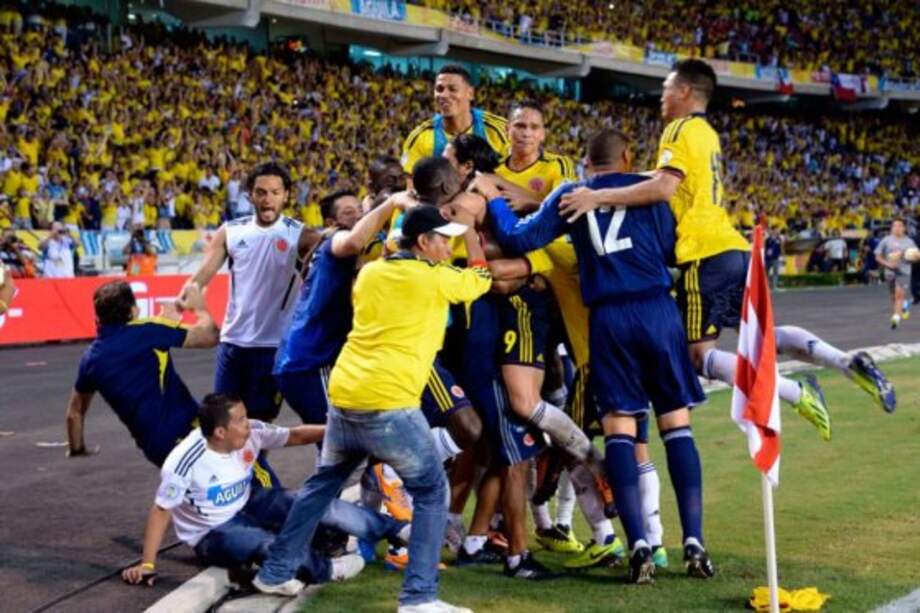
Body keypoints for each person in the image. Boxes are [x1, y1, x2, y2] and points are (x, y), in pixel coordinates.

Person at [556, 58, 895, 428]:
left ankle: (797, 392)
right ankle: (845, 362)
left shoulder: (678, 129)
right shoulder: (707, 134)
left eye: (667, 89)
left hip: (702, 256)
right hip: (734, 249)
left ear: (684, 91)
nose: (662, 97)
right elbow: (663, 177)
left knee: (698, 356)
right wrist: (614, 180)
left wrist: (598, 197)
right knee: (760, 336)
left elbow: (664, 187)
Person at [475, 128, 709, 584]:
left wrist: (494, 196)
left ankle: (639, 543)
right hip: (657, 311)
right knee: (676, 427)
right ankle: (694, 541)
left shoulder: (571, 193)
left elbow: (517, 238)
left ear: (587, 162)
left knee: (620, 430)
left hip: (607, 320)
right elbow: (670, 250)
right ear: (627, 156)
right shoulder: (651, 190)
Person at [254, 198, 492, 613]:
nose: (447, 247)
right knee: (433, 491)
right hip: (390, 403)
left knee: (319, 488)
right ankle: (419, 599)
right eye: (443, 241)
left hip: (345, 399)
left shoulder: (370, 273)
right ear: (423, 242)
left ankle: (274, 572)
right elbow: (481, 278)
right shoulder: (436, 279)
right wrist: (471, 231)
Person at [122, 394, 410, 587]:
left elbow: (294, 435)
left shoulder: (251, 433)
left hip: (250, 503)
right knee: (266, 543)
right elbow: (161, 510)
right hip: (212, 532)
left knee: (312, 502)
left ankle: (398, 529)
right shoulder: (183, 461)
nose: (249, 425)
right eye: (241, 420)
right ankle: (326, 571)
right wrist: (147, 563)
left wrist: (340, 430)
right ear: (220, 432)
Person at [179, 162, 319, 423]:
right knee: (222, 422)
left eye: (275, 192)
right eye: (262, 192)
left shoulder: (302, 236)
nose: (268, 199)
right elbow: (202, 275)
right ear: (250, 195)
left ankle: (256, 464)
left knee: (257, 426)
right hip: (232, 344)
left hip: (273, 348)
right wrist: (184, 296)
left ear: (286, 195)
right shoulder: (230, 232)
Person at [65, 281, 219, 466]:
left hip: (155, 450)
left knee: (194, 489)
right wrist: (200, 308)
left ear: (98, 318)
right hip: (189, 431)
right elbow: (210, 337)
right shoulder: (149, 331)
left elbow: (75, 412)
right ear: (133, 311)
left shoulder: (90, 359)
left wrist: (77, 448)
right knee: (246, 477)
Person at [401, 64, 508, 174]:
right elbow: (411, 187)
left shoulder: (499, 129)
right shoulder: (420, 137)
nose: (444, 95)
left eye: (453, 89)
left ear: (470, 93)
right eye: (439, 89)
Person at [874, 218, 917, 332]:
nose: (897, 228)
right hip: (890, 271)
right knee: (893, 296)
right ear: (892, 228)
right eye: (895, 226)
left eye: (899, 226)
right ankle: (903, 307)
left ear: (904, 228)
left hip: (903, 272)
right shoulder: (886, 240)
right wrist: (887, 263)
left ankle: (896, 318)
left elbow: (917, 257)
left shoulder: (909, 242)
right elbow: (877, 256)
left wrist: (909, 256)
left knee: (899, 295)